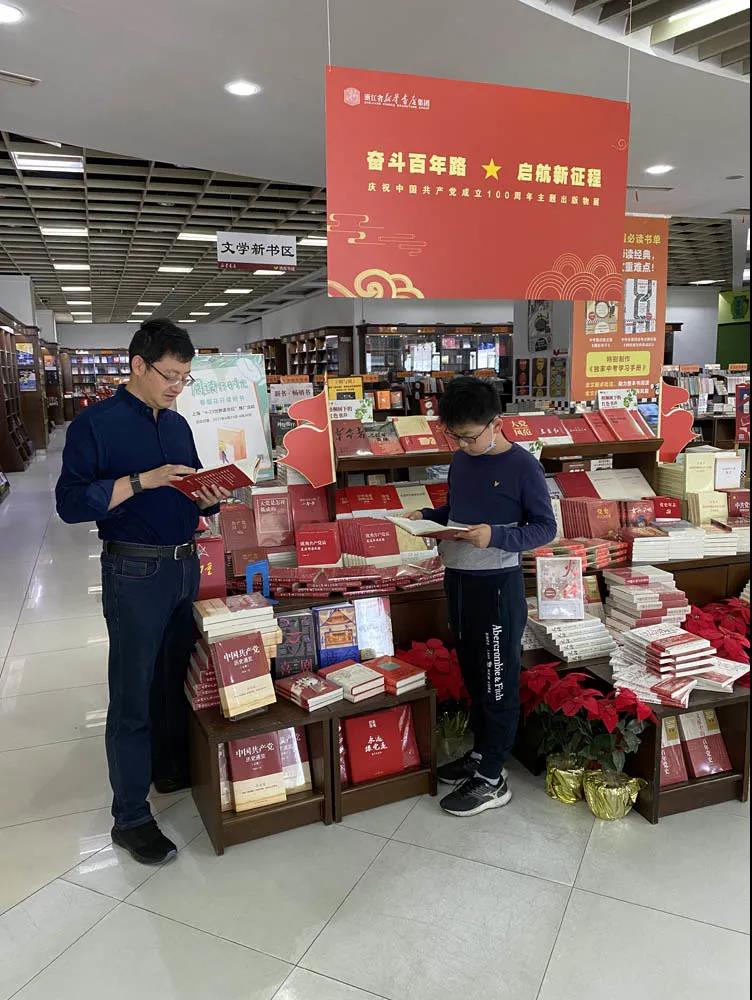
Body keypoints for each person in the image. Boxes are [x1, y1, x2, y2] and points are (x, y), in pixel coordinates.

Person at [56, 319, 231, 864]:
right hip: (133, 571)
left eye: (185, 377)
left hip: (184, 564)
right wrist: (140, 481)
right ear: (138, 365)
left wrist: (208, 496)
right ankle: (130, 816)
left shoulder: (177, 424)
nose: (178, 386)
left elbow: (192, 487)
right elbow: (70, 504)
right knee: (132, 694)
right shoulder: (96, 425)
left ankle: (169, 768)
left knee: (175, 679)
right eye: (170, 375)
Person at [406, 377, 557, 817]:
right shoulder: (461, 460)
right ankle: (480, 754)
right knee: (473, 672)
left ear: (497, 424)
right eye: (454, 436)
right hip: (457, 579)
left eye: (470, 436)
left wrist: (497, 536)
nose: (462, 444)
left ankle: (493, 777)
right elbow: (457, 513)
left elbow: (545, 528)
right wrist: (427, 517)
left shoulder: (523, 467)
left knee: (497, 678)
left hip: (497, 586)